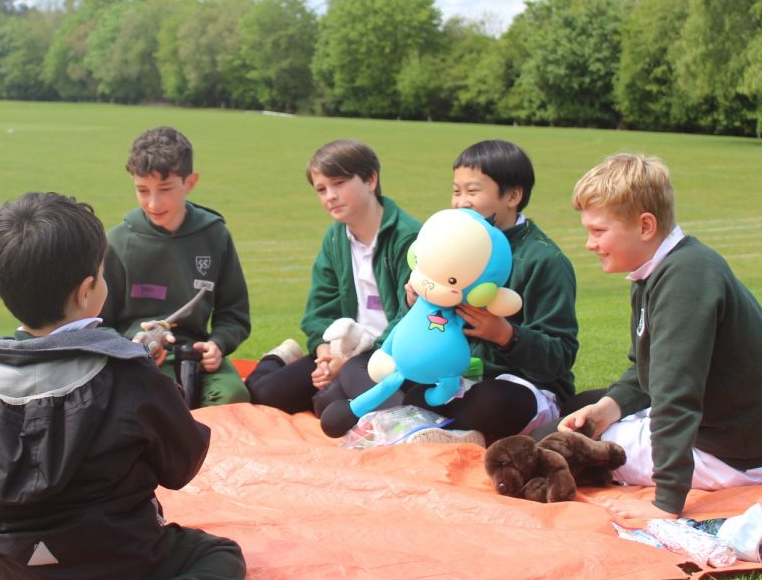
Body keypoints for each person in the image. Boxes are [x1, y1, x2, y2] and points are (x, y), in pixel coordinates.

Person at [0, 192, 246, 580]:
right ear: (86, 291)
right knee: (219, 553)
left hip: (7, 566)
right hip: (116, 575)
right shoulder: (129, 374)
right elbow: (179, 465)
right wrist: (149, 382)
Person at [320, 139, 579, 443]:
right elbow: (417, 326)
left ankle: (403, 421)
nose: (460, 202)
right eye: (456, 191)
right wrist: (413, 301)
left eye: (472, 191)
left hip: (513, 385)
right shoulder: (447, 241)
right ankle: (431, 426)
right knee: (359, 367)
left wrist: (506, 335)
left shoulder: (543, 260)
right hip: (445, 377)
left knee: (491, 401)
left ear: (513, 195)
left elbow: (560, 355)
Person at [556, 153, 762, 518]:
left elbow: (674, 395)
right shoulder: (660, 268)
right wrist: (609, 408)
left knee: (559, 450)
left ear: (646, 226)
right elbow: (647, 369)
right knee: (581, 414)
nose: (590, 243)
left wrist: (666, 503)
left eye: (599, 231)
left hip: (735, 455)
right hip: (726, 436)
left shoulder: (686, 278)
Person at [245, 139, 421, 415]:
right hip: (344, 352)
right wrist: (324, 351)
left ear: (370, 179)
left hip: (388, 356)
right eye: (321, 189)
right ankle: (279, 358)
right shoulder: (335, 237)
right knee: (265, 393)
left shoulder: (407, 237)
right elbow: (319, 309)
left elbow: (410, 318)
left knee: (330, 403)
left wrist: (350, 360)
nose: (330, 196)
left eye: (339, 183)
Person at [99, 126, 251, 407]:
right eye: (142, 190)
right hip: (135, 362)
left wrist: (218, 343)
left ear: (190, 182)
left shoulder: (215, 235)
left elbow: (234, 313)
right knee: (157, 403)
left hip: (195, 355)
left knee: (234, 397)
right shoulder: (117, 242)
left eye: (165, 189)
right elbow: (96, 323)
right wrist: (132, 346)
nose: (153, 203)